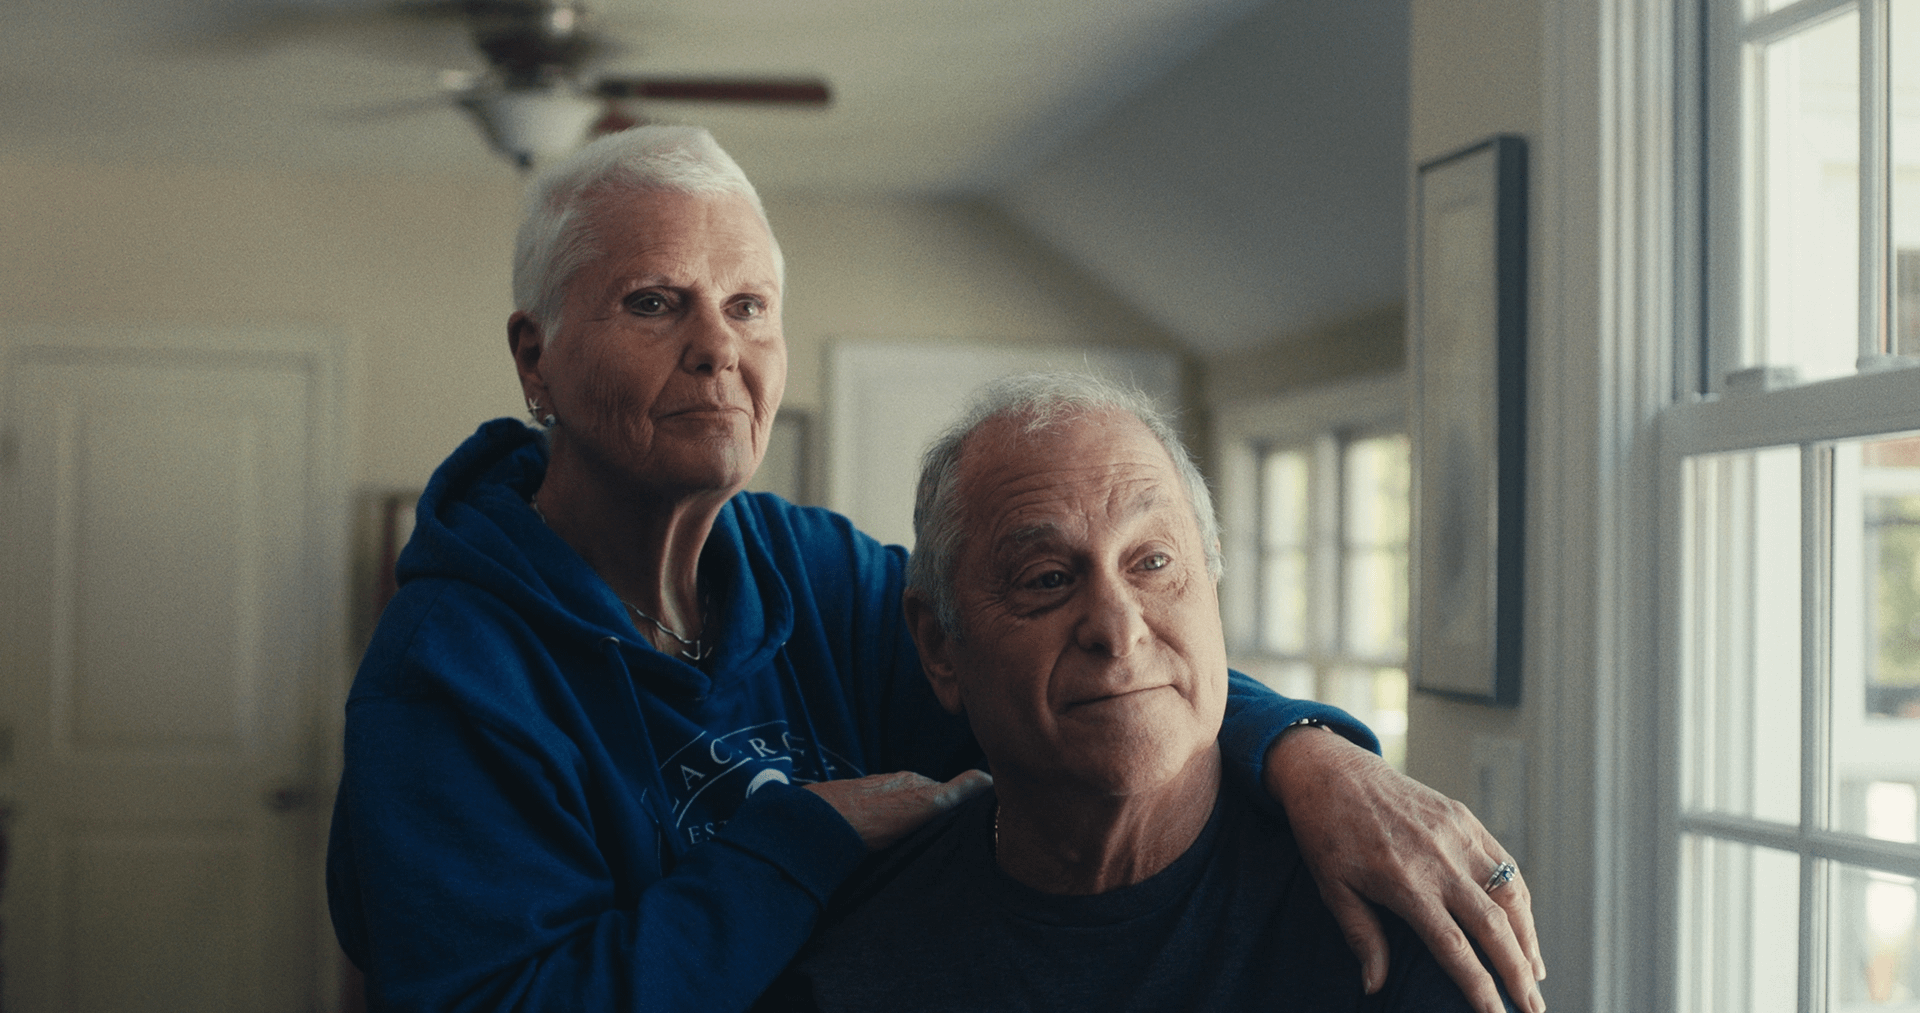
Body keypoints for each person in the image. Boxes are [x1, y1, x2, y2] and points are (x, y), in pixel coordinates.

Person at [325, 124, 1544, 1013]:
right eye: (656, 302)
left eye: (749, 305)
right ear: (534, 357)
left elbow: (1067, 662)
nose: (716, 348)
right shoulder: (445, 675)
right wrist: (800, 838)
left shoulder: (810, 571)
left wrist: (1304, 753)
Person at [763, 374, 1520, 1012]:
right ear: (938, 647)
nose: (1117, 628)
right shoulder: (852, 957)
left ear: (1213, 585)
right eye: (1047, 579)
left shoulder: (1405, 916)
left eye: (1153, 562)